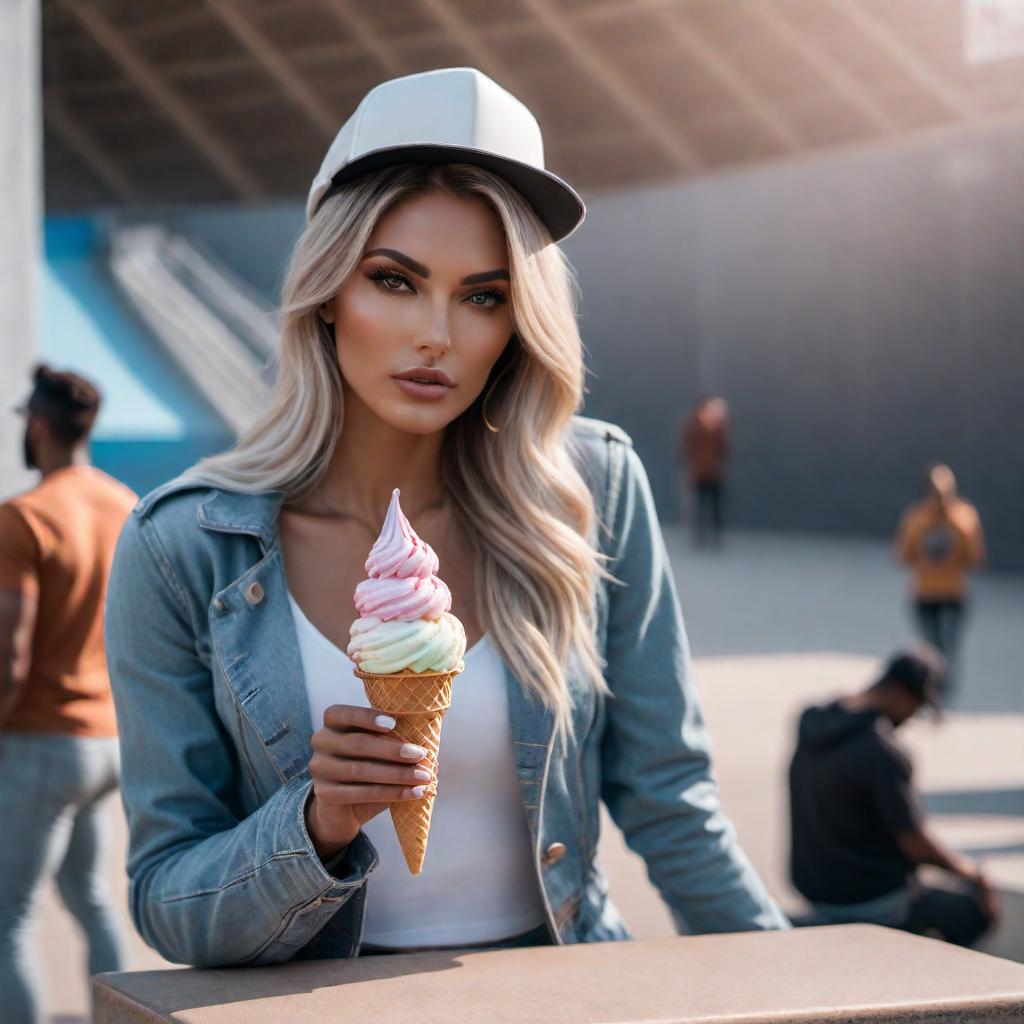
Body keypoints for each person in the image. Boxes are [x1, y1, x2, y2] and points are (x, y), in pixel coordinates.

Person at [104, 67, 788, 969]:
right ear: (328, 291)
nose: (439, 334)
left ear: (520, 321)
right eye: (395, 281)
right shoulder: (182, 548)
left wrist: (798, 982)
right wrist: (313, 825)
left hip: (564, 992)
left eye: (483, 295)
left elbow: (671, 800)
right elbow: (166, 899)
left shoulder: (590, 491)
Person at [0, 365, 137, 1023]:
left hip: (42, 741)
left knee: (6, 920)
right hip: (108, 741)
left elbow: (9, 655)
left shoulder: (22, 517)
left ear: (38, 424)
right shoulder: (127, 506)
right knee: (90, 897)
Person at [788, 649, 998, 947]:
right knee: (973, 911)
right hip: (872, 897)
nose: (912, 718)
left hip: (816, 889)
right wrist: (972, 874)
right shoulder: (883, 753)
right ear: (900, 694)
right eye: (916, 707)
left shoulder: (811, 720)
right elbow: (914, 842)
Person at [894, 463, 985, 698]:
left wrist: (956, 533)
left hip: (953, 595)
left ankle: (943, 697)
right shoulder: (916, 518)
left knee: (948, 649)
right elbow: (902, 556)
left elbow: (976, 558)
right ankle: (932, 695)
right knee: (931, 648)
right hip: (925, 594)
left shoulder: (964, 516)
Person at [679, 396, 730, 548]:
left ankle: (716, 537)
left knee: (716, 508)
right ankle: (699, 537)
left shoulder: (720, 430)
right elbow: (686, 448)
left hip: (714, 474)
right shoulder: (694, 428)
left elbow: (725, 450)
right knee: (699, 507)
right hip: (699, 474)